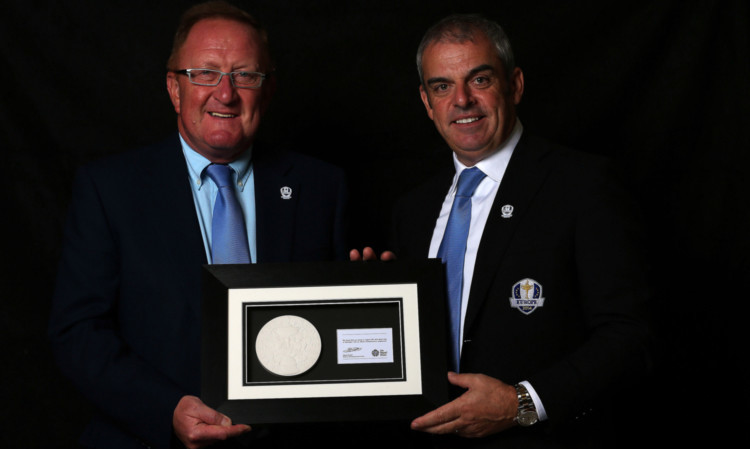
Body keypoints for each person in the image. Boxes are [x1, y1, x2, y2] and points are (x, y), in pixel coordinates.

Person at [49, 2, 347, 448]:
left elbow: (335, 324)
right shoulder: (109, 190)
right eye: (205, 73)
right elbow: (78, 333)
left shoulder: (321, 187)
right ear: (174, 88)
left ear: (267, 91)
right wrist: (166, 409)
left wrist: (371, 294)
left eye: (245, 75)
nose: (225, 93)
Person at [353, 14, 650, 448]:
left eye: (479, 79)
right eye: (442, 86)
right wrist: (371, 308)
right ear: (426, 101)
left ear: (515, 85)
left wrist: (522, 404)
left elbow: (632, 336)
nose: (461, 100)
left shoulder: (583, 186)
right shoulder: (411, 211)